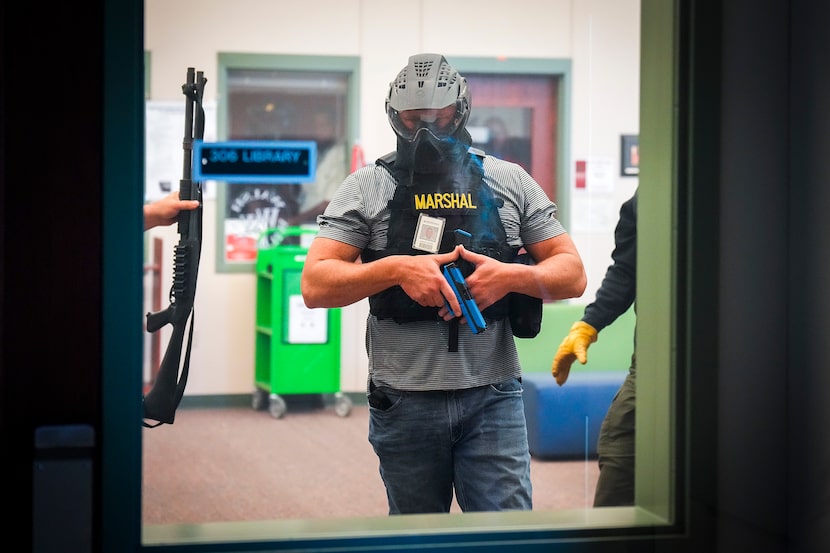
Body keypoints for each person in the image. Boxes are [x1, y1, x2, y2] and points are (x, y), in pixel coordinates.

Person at [301, 53, 587, 515]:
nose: (427, 134)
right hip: (403, 400)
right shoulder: (367, 186)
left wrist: (511, 276)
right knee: (415, 537)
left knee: (505, 536)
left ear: (462, 111)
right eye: (413, 121)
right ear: (395, 117)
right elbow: (315, 285)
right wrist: (396, 269)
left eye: (440, 119)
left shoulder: (507, 180)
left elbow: (571, 274)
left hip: (491, 398)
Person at [550, 189, 637, 506]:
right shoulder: (647, 199)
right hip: (653, 361)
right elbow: (626, 272)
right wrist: (588, 325)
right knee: (621, 457)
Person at [287, 110, 349, 226]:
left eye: (323, 125)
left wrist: (296, 220)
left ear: (333, 127)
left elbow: (329, 202)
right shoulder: (314, 151)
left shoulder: (339, 155)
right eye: (316, 126)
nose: (318, 130)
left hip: (322, 224)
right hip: (304, 219)